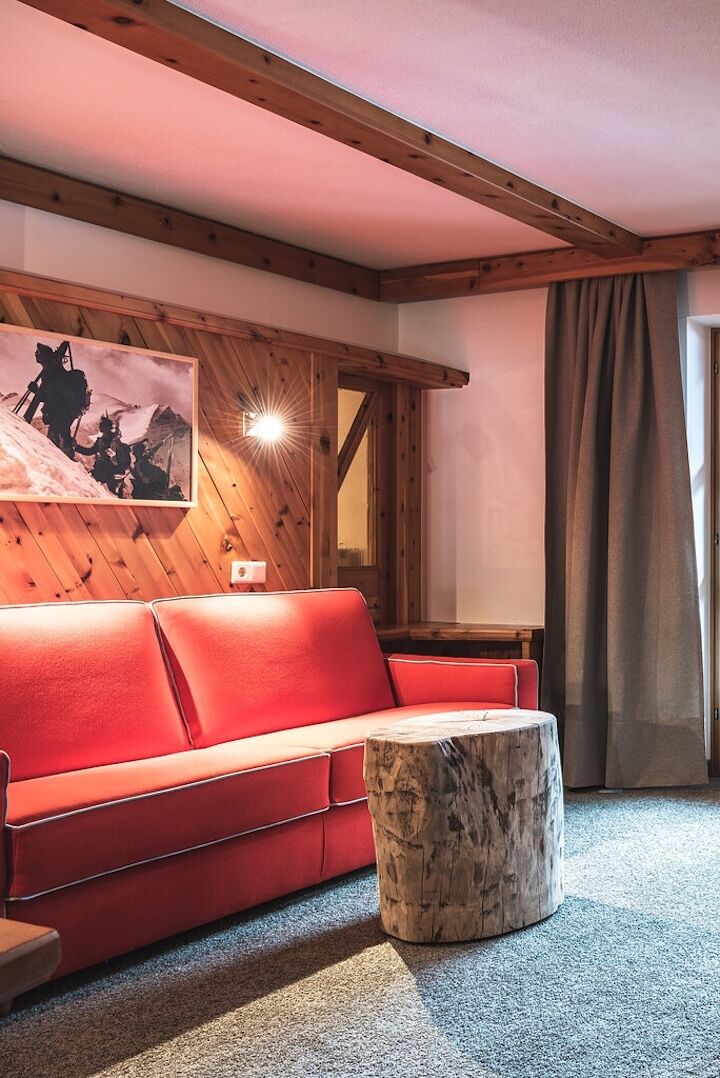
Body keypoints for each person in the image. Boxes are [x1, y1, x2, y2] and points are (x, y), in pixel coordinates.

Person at [24, 342, 89, 457]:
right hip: (58, 412)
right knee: (57, 440)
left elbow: (59, 394)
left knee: (59, 441)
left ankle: (66, 461)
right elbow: (50, 396)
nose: (36, 354)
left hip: (62, 412)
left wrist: (41, 391)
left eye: (39, 353)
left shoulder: (55, 371)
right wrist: (37, 391)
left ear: (45, 356)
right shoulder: (49, 371)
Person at [75, 414, 131, 496]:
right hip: (102, 471)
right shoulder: (100, 441)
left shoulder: (115, 441)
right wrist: (76, 447)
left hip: (114, 473)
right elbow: (90, 451)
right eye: (101, 425)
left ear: (108, 427)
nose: (101, 427)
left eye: (103, 425)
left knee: (114, 495)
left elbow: (123, 459)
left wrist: (115, 457)